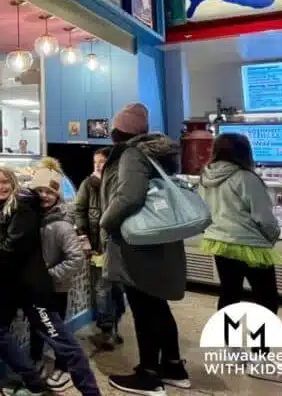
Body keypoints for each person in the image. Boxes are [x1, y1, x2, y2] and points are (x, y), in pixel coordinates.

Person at [0, 166, 101, 396]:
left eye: (4, 181)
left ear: (14, 183)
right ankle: (33, 381)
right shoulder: (7, 207)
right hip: (12, 286)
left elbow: (11, 250)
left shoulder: (23, 206)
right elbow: (6, 235)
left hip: (31, 288)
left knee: (61, 341)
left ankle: (91, 392)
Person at [99, 103, 190, 395]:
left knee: (144, 309)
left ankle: (149, 375)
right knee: (157, 306)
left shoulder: (131, 153)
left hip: (138, 242)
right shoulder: (158, 153)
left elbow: (129, 196)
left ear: (118, 131)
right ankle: (174, 367)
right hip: (158, 237)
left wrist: (106, 221)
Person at [197, 134, 282, 385]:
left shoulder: (206, 176)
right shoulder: (246, 178)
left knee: (229, 295)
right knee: (267, 301)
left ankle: (232, 351)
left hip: (220, 242)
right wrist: (273, 236)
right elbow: (264, 217)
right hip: (251, 245)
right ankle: (261, 360)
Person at [28, 166, 86, 392]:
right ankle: (36, 361)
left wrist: (50, 276)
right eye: (39, 191)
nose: (43, 195)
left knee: (55, 329)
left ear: (57, 196)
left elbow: (76, 259)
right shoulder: (32, 218)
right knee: (36, 327)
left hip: (55, 288)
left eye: (49, 192)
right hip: (35, 287)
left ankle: (64, 367)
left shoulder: (61, 225)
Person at [73, 147, 126, 349]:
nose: (97, 165)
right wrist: (84, 237)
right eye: (95, 162)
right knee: (102, 288)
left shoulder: (120, 184)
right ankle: (106, 330)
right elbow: (79, 210)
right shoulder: (88, 184)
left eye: (101, 162)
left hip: (118, 246)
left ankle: (114, 325)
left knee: (117, 288)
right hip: (97, 245)